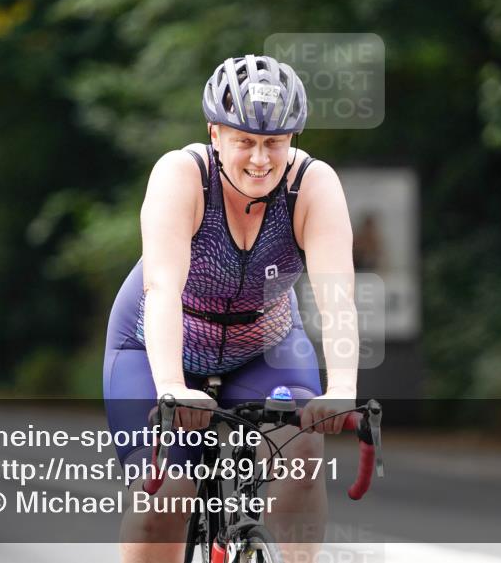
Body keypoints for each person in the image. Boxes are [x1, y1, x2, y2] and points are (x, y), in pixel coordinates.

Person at [103, 54, 359, 563]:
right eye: (245, 141)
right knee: (166, 496)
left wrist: (343, 390)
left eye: (274, 143)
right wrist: (174, 386)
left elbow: (338, 296)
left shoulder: (313, 185)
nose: (260, 159)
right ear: (215, 134)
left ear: (293, 141)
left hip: (265, 343)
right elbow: (162, 288)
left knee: (303, 449)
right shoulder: (182, 176)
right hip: (156, 343)